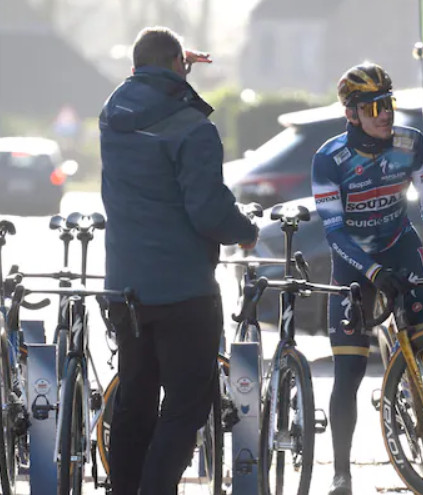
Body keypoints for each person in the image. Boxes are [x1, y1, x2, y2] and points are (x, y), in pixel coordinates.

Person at [99, 26, 258, 494]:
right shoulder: (193, 127)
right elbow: (208, 211)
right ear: (176, 67)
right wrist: (245, 231)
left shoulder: (113, 114)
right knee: (186, 406)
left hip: (125, 290)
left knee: (135, 400)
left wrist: (165, 64)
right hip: (183, 292)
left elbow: (143, 78)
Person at [311, 62, 423, 495]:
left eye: (388, 103)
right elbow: (334, 232)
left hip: (400, 246)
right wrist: (373, 273)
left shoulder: (411, 143)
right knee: (348, 369)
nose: (385, 114)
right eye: (373, 107)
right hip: (353, 261)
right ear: (352, 114)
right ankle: (342, 473)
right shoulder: (329, 160)